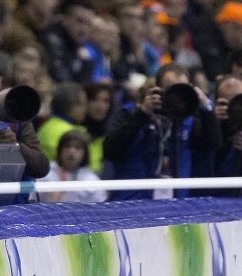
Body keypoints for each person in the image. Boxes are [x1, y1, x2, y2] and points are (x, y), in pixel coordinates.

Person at [103, 63, 220, 200]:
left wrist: (206, 107)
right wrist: (142, 114)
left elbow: (213, 144)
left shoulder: (188, 121)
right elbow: (110, 152)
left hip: (174, 206)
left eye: (182, 90)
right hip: (130, 203)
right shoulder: (130, 113)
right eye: (171, 90)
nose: (177, 97)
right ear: (157, 89)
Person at [35, 130, 107, 203]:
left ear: (85, 154)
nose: (71, 151)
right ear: (59, 150)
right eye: (67, 146)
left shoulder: (92, 182)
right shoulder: (45, 175)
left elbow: (99, 210)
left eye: (78, 147)